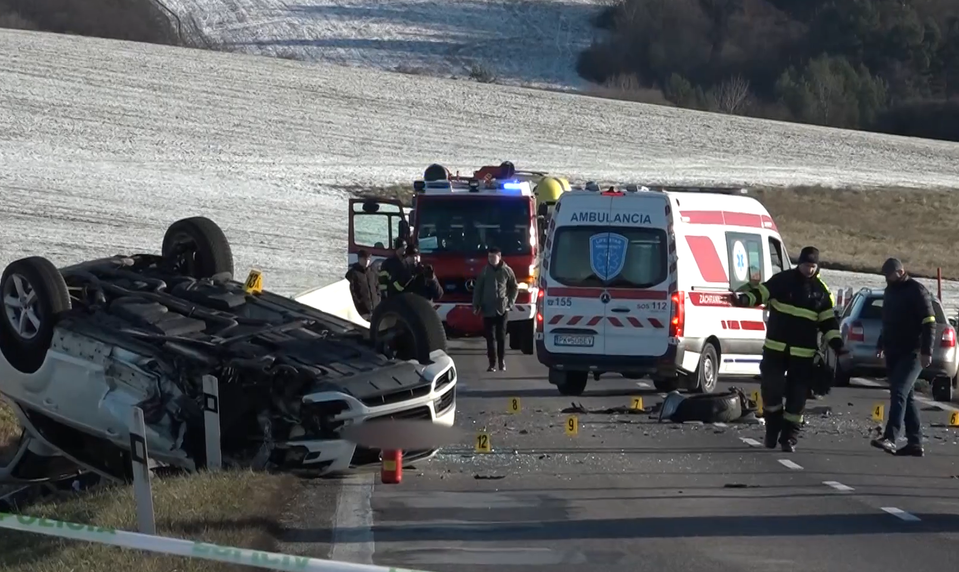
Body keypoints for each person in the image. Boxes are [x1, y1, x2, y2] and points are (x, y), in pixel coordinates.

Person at [732, 246, 846, 452]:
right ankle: (772, 429)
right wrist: (745, 299)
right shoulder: (782, 281)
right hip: (775, 349)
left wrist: (838, 345)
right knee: (771, 390)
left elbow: (828, 323)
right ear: (799, 264)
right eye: (806, 265)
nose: (809, 269)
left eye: (813, 266)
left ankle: (789, 438)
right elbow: (762, 292)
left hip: (803, 355)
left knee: (797, 398)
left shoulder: (821, 292)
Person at [870, 257, 935, 457]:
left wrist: (927, 351)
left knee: (899, 391)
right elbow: (888, 321)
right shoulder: (890, 292)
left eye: (889, 275)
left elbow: (929, 321)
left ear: (899, 272)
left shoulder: (917, 290)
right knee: (907, 396)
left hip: (913, 351)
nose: (886, 279)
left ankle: (891, 437)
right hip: (893, 350)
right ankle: (915, 442)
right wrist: (881, 343)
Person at [472, 247, 518, 372]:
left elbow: (514, 287)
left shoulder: (507, 271)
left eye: (493, 257)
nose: (491, 259)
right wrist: (476, 305)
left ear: (499, 257)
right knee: (490, 337)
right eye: (489, 257)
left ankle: (501, 361)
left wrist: (510, 303)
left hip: (502, 309)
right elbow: (478, 289)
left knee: (501, 336)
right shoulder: (485, 271)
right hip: (487, 309)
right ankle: (492, 363)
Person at [345, 249, 380, 320]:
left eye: (368, 259)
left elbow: (377, 287)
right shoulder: (353, 273)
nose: (367, 261)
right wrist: (359, 306)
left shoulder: (373, 272)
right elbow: (352, 293)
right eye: (364, 259)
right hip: (361, 312)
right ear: (359, 259)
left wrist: (378, 300)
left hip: (375, 309)